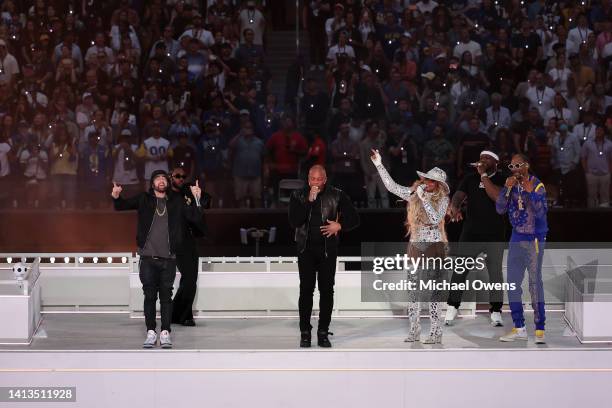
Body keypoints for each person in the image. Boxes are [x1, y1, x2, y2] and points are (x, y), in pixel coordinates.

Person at [111, 170, 204, 348]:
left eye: (164, 178)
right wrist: (116, 197)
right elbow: (121, 205)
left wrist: (197, 199)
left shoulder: (176, 201)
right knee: (150, 296)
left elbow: (195, 217)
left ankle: (165, 332)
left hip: (168, 258)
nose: (161, 181)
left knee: (166, 298)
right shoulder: (144, 199)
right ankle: (151, 332)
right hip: (147, 258)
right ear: (152, 182)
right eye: (157, 178)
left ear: (167, 183)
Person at [371, 149, 450, 344]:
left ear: (439, 185)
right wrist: (379, 164)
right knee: (414, 290)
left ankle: (435, 332)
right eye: (426, 180)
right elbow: (392, 187)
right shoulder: (415, 194)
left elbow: (434, 218)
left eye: (432, 181)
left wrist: (424, 199)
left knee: (433, 290)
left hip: (434, 246)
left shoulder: (443, 199)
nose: (427, 183)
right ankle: (414, 330)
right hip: (416, 245)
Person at [288, 165, 359, 348]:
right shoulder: (298, 195)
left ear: (325, 179)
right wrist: (309, 201)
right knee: (306, 291)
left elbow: (354, 218)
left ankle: (322, 332)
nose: (316, 183)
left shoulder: (337, 195)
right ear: (308, 179)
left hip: (328, 250)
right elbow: (295, 221)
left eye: (319, 179)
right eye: (313, 179)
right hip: (306, 250)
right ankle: (305, 332)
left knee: (327, 291)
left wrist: (340, 225)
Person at [445, 151, 507, 327]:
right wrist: (455, 207)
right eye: (481, 158)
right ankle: (452, 306)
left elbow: (496, 196)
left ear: (496, 162)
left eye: (488, 158)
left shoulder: (504, 179)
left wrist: (484, 175)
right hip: (471, 233)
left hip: (494, 234)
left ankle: (495, 310)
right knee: (460, 270)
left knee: (495, 274)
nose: (483, 160)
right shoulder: (470, 178)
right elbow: (458, 195)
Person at [496, 154, 548, 344]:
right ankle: (519, 327)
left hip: (534, 238)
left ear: (527, 165)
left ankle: (540, 328)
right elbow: (500, 209)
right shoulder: (511, 185)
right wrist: (506, 189)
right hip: (516, 237)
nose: (515, 168)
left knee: (535, 283)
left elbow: (541, 212)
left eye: (518, 165)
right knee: (512, 282)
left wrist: (530, 193)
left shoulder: (537, 185)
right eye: (512, 165)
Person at [170, 166, 208, 327]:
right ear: (170, 177)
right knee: (189, 279)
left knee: (190, 279)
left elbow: (202, 206)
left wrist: (197, 196)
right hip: (175, 241)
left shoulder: (188, 191)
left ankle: (176, 313)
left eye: (183, 176)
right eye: (177, 176)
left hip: (189, 240)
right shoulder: (167, 195)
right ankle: (183, 315)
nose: (180, 179)